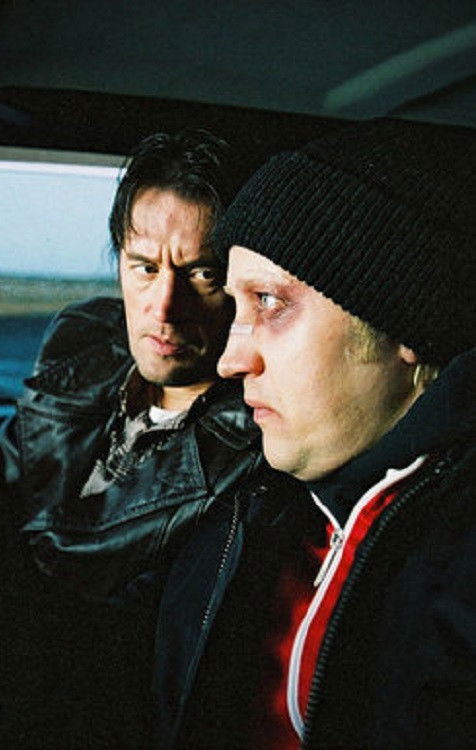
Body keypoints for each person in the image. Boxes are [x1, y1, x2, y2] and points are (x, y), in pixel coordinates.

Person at [154, 119, 476, 749]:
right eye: (236, 306)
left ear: (405, 319)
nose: (230, 360)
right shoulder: (252, 512)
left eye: (270, 302)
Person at [0, 129, 263, 749]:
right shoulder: (82, 347)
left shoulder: (258, 444)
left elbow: (107, 641)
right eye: (144, 268)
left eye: (203, 274)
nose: (164, 308)